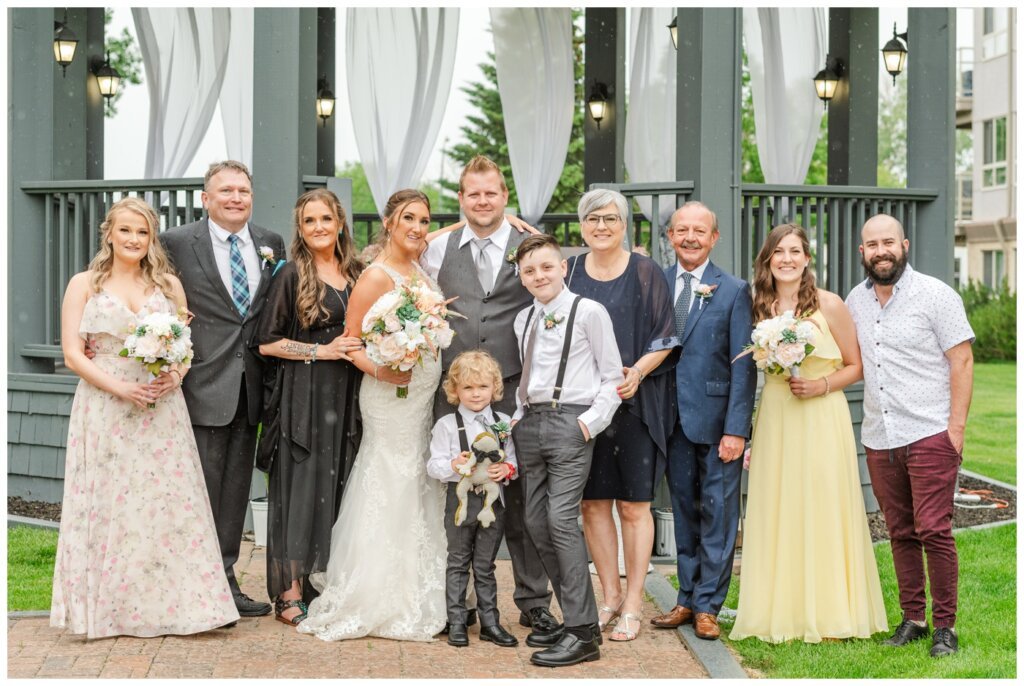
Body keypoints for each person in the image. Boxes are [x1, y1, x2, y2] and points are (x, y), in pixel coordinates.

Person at [51, 198, 239, 638]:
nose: (134, 240)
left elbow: (184, 347)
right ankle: (112, 609)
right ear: (109, 234)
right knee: (111, 503)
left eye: (142, 232)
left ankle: (173, 606)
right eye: (126, 231)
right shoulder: (84, 285)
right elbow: (73, 354)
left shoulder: (169, 286)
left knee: (164, 504)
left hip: (160, 408)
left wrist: (174, 376)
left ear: (151, 237)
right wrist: (121, 389)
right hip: (106, 404)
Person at [298, 189, 448, 642]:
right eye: (408, 219)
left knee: (421, 483)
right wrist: (385, 370)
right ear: (388, 222)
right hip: (388, 396)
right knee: (391, 480)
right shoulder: (375, 277)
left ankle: (420, 588)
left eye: (424, 220)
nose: (418, 228)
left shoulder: (418, 267)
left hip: (422, 396)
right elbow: (350, 344)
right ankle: (377, 592)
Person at [420, 155, 558, 644]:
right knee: (453, 494)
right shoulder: (437, 250)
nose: (483, 201)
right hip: (454, 393)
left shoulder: (529, 246)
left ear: (505, 197)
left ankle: (533, 602)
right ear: (461, 200)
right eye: (473, 194)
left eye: (491, 193)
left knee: (519, 500)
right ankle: (455, 605)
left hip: (512, 391)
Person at [729, 224, 888, 643]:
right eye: (778, 252)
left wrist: (819, 386)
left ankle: (832, 612)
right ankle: (778, 610)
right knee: (779, 503)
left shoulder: (830, 305)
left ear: (806, 258)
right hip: (778, 412)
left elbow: (856, 366)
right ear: (767, 260)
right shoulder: (757, 306)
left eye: (795, 251)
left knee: (823, 504)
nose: (786, 259)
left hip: (821, 411)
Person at [161, 160, 285, 618]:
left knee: (234, 493)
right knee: (195, 492)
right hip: (197, 386)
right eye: (225, 190)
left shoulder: (271, 243)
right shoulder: (175, 243)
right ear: (205, 198)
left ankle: (225, 581)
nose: (236, 198)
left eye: (243, 191)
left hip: (251, 387)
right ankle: (186, 586)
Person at [846, 214, 974, 658]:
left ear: (903, 245)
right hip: (880, 436)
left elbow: (962, 361)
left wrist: (954, 430)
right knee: (900, 531)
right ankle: (914, 619)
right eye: (872, 245)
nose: (881, 251)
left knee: (934, 531)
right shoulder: (855, 302)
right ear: (862, 252)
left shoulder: (936, 295)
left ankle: (946, 628)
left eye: (888, 243)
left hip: (929, 432)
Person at [565, 189, 679, 643]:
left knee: (634, 505)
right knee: (593, 503)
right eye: (592, 219)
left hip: (634, 402)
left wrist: (636, 372)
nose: (601, 226)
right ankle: (608, 595)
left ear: (624, 223)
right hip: (585, 406)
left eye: (611, 218)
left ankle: (634, 600)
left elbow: (665, 336)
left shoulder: (644, 270)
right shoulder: (570, 271)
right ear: (582, 225)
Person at [511, 233, 624, 667]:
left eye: (545, 266)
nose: (538, 275)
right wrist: (519, 418)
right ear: (522, 279)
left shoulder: (588, 311)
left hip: (571, 422)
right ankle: (580, 620)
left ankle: (582, 634)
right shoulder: (524, 320)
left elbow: (612, 376)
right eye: (529, 271)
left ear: (563, 267)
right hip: (531, 423)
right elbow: (529, 376)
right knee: (535, 520)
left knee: (560, 519)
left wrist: (588, 424)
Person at [255, 189, 365, 625]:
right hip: (306, 391)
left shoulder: (358, 272)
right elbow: (267, 341)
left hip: (349, 393)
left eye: (325, 218)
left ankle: (320, 581)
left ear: (340, 223)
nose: (318, 227)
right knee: (300, 488)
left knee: (337, 486)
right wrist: (321, 352)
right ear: (300, 229)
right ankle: (288, 592)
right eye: (309, 221)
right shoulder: (291, 274)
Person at [651, 201, 756, 641]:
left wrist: (736, 429)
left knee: (718, 512)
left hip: (716, 425)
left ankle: (710, 604)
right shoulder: (656, 285)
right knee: (684, 510)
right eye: (682, 230)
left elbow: (743, 364)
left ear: (714, 238)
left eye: (700, 230)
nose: (690, 237)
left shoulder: (732, 290)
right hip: (669, 421)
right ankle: (687, 598)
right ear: (670, 237)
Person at [427, 350, 520, 648]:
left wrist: (505, 469)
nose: (476, 393)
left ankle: (490, 622)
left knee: (485, 564)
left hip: (493, 505)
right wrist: (453, 466)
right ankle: (455, 621)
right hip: (460, 504)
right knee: (457, 562)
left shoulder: (503, 422)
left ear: (495, 387)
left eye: (482, 386)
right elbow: (433, 466)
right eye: (467, 387)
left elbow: (514, 464)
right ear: (455, 391)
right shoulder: (446, 425)